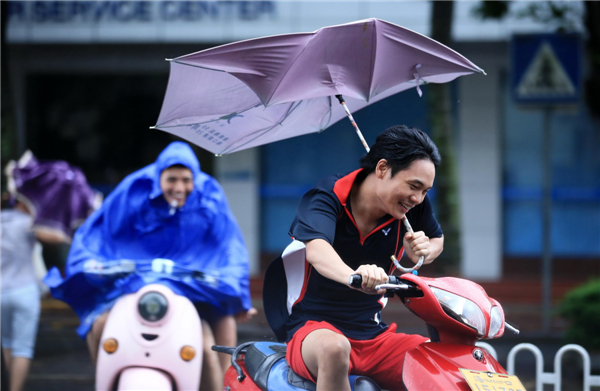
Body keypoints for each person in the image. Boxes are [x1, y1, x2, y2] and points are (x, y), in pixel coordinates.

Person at [45, 141, 254, 390]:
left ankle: (222, 387)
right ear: (159, 177)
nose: (179, 187)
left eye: (186, 180)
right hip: (133, 286)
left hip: (194, 290)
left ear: (195, 179)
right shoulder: (135, 189)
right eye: (172, 179)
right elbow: (99, 234)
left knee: (214, 333)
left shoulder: (209, 194)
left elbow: (230, 247)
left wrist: (239, 295)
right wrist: (90, 267)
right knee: (100, 324)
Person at [265, 125, 444, 391]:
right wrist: (354, 276)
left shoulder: (410, 206)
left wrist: (425, 250)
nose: (418, 198)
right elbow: (317, 250)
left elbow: (436, 240)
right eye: (414, 186)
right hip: (313, 329)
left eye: (426, 191)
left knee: (439, 362)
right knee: (336, 349)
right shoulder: (327, 196)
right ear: (382, 169)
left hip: (373, 335)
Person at [1, 194, 65, 391]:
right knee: (23, 348)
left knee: (7, 343)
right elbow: (58, 237)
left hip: (0, 291)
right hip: (25, 291)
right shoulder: (29, 223)